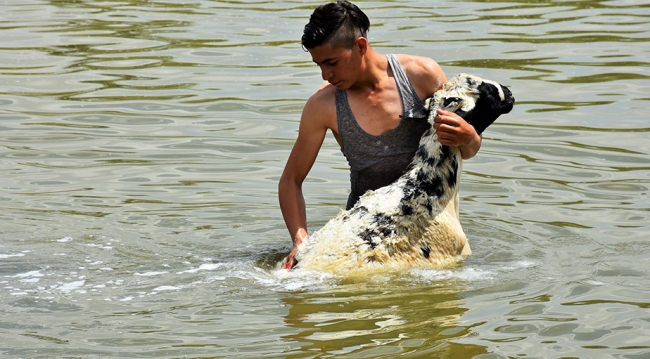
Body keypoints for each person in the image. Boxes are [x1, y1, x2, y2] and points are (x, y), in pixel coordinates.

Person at [278, 0, 481, 270]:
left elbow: (463, 152)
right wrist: (300, 239)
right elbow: (291, 180)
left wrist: (469, 135)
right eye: (318, 65)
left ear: (360, 46)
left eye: (332, 62)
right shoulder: (322, 105)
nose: (326, 75)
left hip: (429, 229)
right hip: (366, 235)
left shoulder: (422, 76)